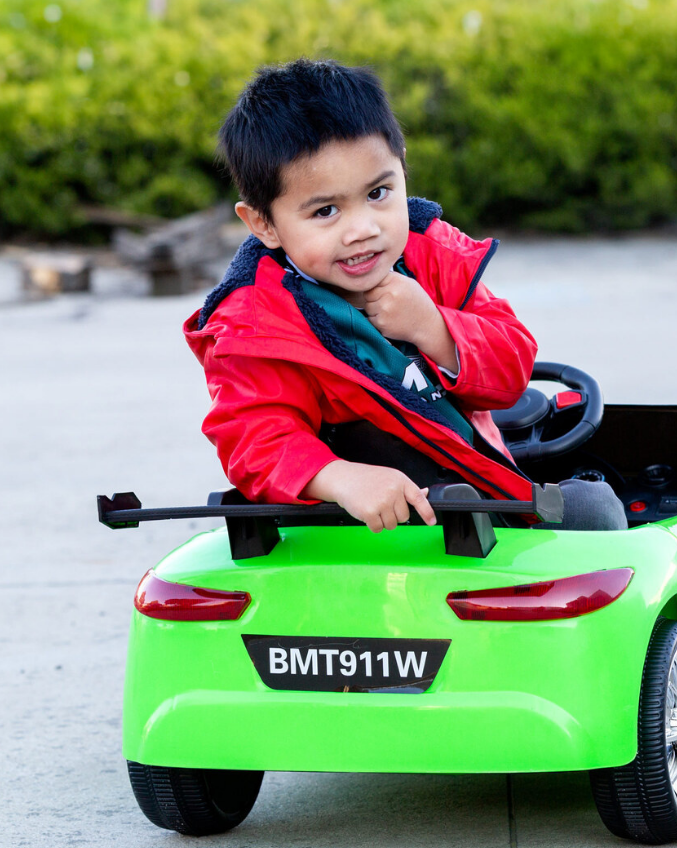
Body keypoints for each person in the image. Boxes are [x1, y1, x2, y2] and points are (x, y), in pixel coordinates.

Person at [185, 59, 625, 533]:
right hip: (360, 532)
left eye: (378, 193)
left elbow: (513, 368)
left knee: (595, 507)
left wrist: (434, 328)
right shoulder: (256, 322)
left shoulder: (433, 255)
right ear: (264, 224)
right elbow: (254, 437)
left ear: (402, 169)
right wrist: (337, 477)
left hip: (481, 495)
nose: (363, 230)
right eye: (326, 210)